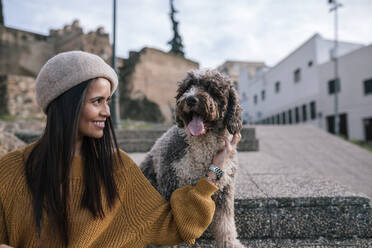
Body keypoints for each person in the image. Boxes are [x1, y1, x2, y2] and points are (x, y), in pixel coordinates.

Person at [0, 51, 241, 248]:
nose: (107, 112)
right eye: (97, 101)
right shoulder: (9, 170)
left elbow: (174, 226)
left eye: (108, 101)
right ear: (65, 105)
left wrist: (214, 171)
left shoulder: (119, 168)